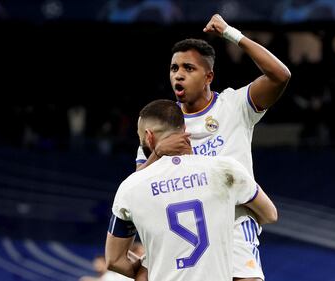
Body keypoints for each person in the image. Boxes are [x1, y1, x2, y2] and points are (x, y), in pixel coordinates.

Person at [135, 14, 290, 281]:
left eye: (188, 68)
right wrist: (159, 153)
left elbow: (280, 76)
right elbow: (135, 191)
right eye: (174, 69)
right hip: (182, 233)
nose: (179, 75)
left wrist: (231, 33)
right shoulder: (160, 125)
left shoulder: (235, 105)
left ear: (209, 76)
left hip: (234, 225)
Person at [106, 99, 277, 281]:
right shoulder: (224, 169)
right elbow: (270, 214)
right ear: (185, 131)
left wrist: (151, 266)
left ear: (149, 136)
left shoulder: (131, 187)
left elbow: (114, 260)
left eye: (141, 139)